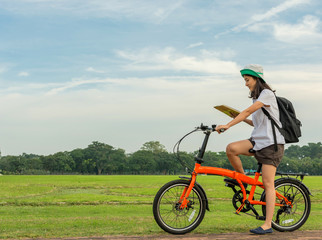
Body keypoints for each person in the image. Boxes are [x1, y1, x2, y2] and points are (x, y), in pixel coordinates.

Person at [215, 64, 285, 235]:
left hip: (271, 144)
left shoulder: (267, 95)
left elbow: (246, 112)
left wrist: (229, 125)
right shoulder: (257, 99)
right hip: (257, 141)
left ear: (257, 79)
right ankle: (244, 183)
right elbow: (254, 121)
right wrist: (236, 117)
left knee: (268, 184)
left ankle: (267, 224)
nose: (245, 84)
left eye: (247, 80)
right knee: (231, 149)